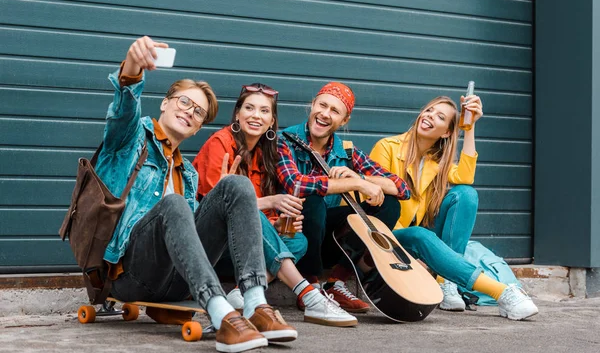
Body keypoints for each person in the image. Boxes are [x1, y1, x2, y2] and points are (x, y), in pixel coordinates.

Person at [96, 36, 297, 353]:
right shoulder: (129, 142)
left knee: (236, 186)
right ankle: (222, 316)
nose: (190, 112)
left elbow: (190, 237)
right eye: (184, 102)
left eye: (199, 112)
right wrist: (133, 66)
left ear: (198, 127)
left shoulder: (187, 174)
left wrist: (229, 199)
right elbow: (124, 107)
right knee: (172, 204)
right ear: (165, 102)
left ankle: (256, 305)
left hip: (175, 279)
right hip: (130, 275)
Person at [193, 83, 358, 327]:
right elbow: (216, 207)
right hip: (213, 247)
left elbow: (258, 218)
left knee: (297, 240)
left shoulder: (266, 153)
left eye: (264, 111)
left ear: (272, 122)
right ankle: (309, 294)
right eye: (249, 108)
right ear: (237, 113)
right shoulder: (220, 144)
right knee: (246, 205)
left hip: (246, 251)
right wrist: (270, 201)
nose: (255, 116)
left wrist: (276, 223)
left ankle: (242, 291)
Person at [369, 95, 538, 320]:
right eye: (429, 110)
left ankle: (447, 282)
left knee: (466, 194)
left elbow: (466, 177)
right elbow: (377, 202)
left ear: (447, 132)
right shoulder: (387, 147)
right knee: (419, 235)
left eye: (439, 117)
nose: (429, 115)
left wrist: (469, 127)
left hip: (420, 238)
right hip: (388, 235)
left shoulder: (435, 161)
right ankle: (502, 293)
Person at [277, 82, 411, 313]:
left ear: (344, 120)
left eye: (335, 111)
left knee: (389, 204)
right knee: (313, 199)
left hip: (328, 240)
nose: (325, 114)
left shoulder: (346, 151)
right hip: (291, 233)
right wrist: (355, 183)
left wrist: (360, 176)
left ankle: (336, 282)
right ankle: (309, 284)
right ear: (313, 105)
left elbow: (402, 188)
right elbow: (296, 184)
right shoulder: (284, 140)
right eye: (322, 105)